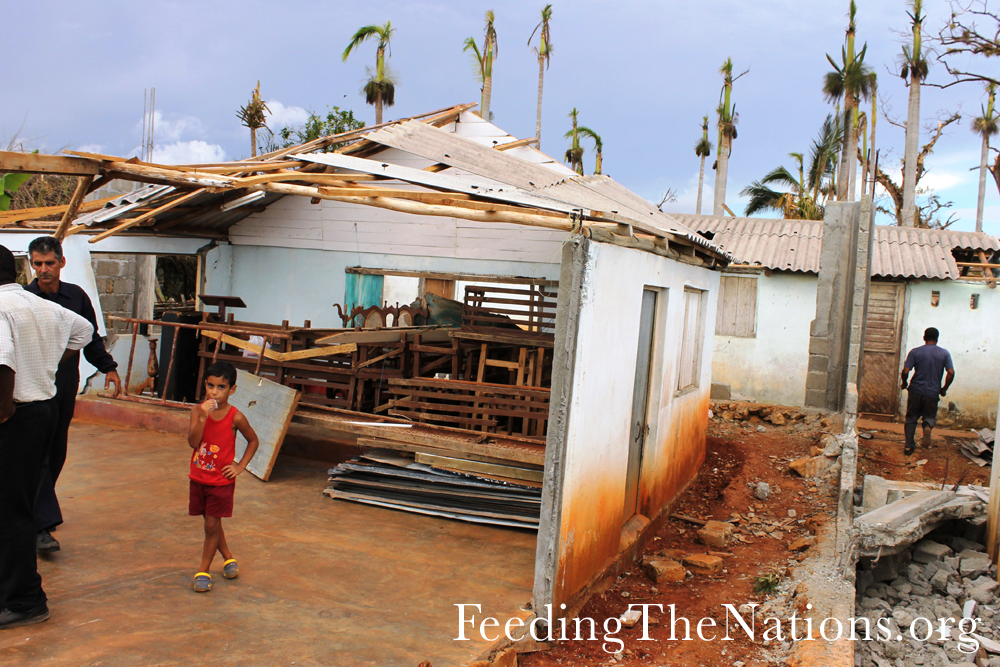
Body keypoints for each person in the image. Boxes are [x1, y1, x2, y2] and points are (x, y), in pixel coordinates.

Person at [0, 244, 94, 629]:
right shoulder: (37, 304)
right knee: (15, 506)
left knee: (11, 511)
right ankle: (15, 592)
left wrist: (4, 410)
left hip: (14, 415)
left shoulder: (2, 308)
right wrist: (47, 364)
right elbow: (83, 331)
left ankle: (25, 600)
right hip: (42, 410)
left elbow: (2, 364)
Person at [26, 236, 122, 554]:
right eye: (37, 263)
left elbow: (91, 338)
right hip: (33, 387)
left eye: (49, 263)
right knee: (36, 452)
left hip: (65, 385)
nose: (43, 269)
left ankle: (34, 513)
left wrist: (108, 367)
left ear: (61, 262)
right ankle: (41, 525)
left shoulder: (76, 297)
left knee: (56, 452)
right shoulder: (26, 298)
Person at [187, 361, 258, 593]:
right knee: (212, 523)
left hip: (221, 481)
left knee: (210, 524)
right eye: (210, 385)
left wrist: (240, 467)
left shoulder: (235, 417)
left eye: (221, 387)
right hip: (198, 477)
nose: (214, 392)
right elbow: (193, 443)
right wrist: (201, 419)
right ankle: (228, 557)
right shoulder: (198, 411)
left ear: (232, 389)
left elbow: (253, 440)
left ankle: (203, 570)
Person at [900, 327, 955, 456]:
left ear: (924, 338)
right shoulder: (944, 353)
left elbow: (905, 371)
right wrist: (944, 389)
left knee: (911, 418)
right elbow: (951, 372)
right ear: (937, 339)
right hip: (932, 392)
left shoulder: (915, 352)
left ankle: (908, 446)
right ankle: (927, 427)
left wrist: (904, 383)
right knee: (929, 416)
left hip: (916, 390)